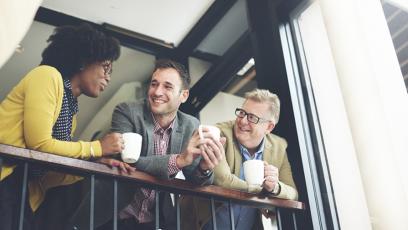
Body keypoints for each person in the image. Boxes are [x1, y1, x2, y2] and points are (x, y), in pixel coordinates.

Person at [66, 59, 225, 230]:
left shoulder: (191, 125)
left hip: (153, 221)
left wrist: (205, 167)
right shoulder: (127, 111)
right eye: (154, 84)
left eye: (167, 87)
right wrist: (178, 161)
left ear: (184, 95)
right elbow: (126, 162)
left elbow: (195, 178)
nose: (157, 92)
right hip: (110, 215)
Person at [0, 23, 123, 230]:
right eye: (106, 67)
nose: (108, 77)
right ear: (84, 60)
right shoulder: (47, 76)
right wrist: (96, 147)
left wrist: (94, 163)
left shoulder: (69, 109)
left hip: (21, 194)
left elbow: (48, 171)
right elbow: (39, 145)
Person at [181, 89, 298, 230]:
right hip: (199, 224)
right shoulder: (219, 132)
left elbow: (293, 193)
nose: (242, 121)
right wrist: (262, 190)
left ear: (269, 127)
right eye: (242, 113)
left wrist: (274, 186)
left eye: (252, 118)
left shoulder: (278, 147)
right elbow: (222, 180)